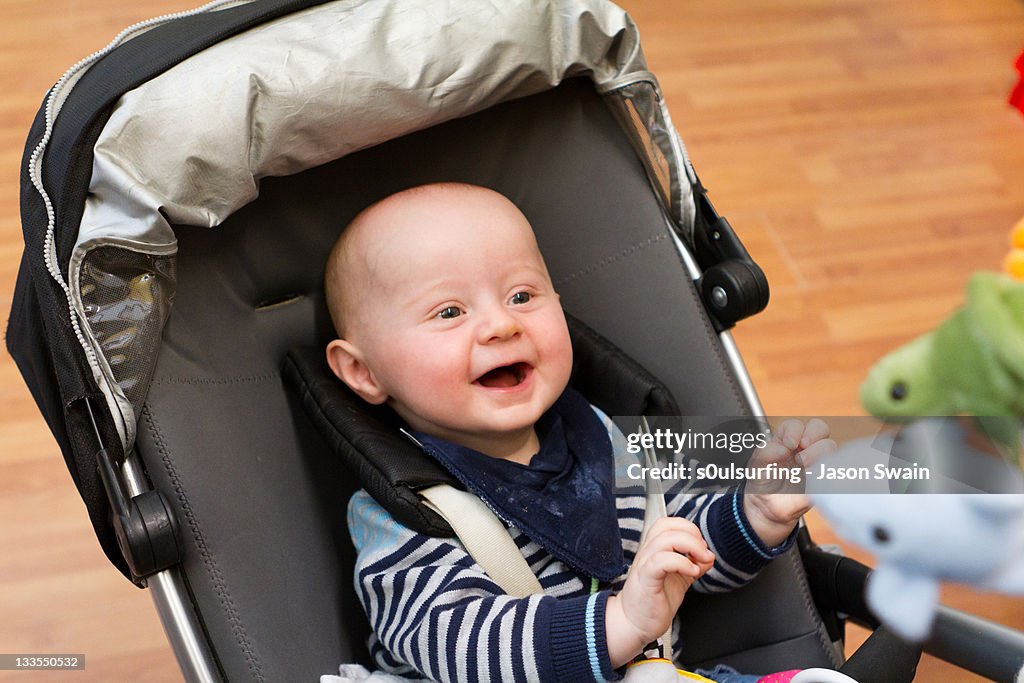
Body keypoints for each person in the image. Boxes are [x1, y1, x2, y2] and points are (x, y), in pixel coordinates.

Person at [323, 182, 835, 683]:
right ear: (364, 373)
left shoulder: (601, 437)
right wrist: (622, 622)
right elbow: (458, 643)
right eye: (450, 311)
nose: (502, 324)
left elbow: (680, 548)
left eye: (522, 295)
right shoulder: (403, 509)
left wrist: (755, 514)